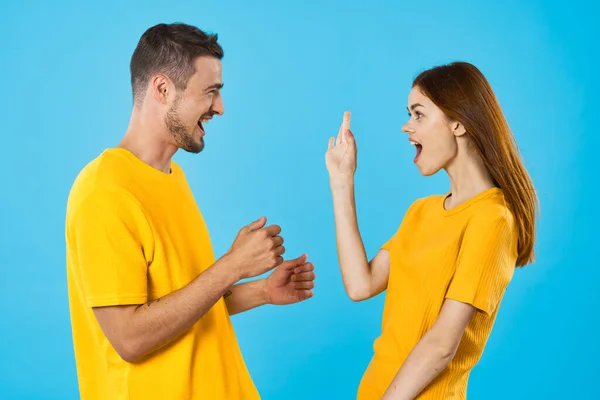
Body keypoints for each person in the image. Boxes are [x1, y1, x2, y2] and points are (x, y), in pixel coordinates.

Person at [65, 23, 316, 400]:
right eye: (211, 92)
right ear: (163, 89)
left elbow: (183, 303)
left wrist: (262, 291)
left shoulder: (172, 177)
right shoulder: (105, 192)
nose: (220, 107)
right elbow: (130, 339)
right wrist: (232, 264)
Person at [325, 61, 538, 399]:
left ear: (458, 122)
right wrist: (341, 181)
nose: (406, 127)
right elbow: (360, 284)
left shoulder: (493, 219)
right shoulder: (420, 212)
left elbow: (442, 344)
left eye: (418, 114)